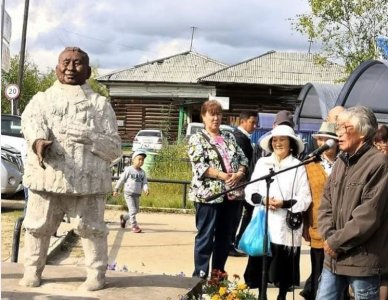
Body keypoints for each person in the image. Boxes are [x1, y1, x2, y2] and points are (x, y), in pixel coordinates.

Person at [20, 47, 122, 291]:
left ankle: (96, 273)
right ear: (57, 67)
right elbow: (30, 122)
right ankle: (32, 269)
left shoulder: (99, 105)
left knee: (91, 228)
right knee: (37, 226)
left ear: (87, 70)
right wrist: (38, 141)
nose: (70, 68)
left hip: (87, 179)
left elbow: (115, 148)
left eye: (77, 64)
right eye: (65, 62)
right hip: (48, 176)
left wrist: (90, 137)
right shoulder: (42, 99)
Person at [317, 106, 388, 300]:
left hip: (362, 262)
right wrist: (329, 237)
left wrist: (335, 242)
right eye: (338, 127)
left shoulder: (379, 163)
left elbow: (368, 215)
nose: (338, 133)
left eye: (345, 127)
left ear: (363, 132)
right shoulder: (341, 162)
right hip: (333, 258)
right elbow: (325, 204)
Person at [244, 125, 312, 300]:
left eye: (282, 139)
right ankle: (262, 294)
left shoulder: (298, 166)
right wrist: (263, 200)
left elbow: (305, 197)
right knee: (261, 265)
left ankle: (282, 295)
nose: (278, 143)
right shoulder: (262, 163)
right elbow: (250, 190)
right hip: (264, 222)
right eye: (275, 140)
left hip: (286, 224)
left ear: (291, 144)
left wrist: (284, 203)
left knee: (284, 268)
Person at [187, 100, 248, 279]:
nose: (216, 118)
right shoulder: (196, 138)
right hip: (209, 195)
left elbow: (243, 158)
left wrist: (240, 172)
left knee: (224, 237)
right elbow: (200, 166)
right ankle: (199, 275)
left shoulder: (229, 137)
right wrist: (223, 175)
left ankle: (217, 275)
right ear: (204, 117)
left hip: (231, 196)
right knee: (205, 237)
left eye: (219, 114)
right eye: (211, 114)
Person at [300, 122, 339, 300]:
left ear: (336, 142)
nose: (323, 142)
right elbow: (304, 197)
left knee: (339, 273)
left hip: (341, 226)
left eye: (327, 139)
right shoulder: (310, 163)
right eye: (320, 139)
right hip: (317, 224)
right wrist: (305, 225)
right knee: (317, 270)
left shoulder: (345, 163)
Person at [229, 111, 257, 257]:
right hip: (239, 182)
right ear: (243, 121)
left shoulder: (243, 137)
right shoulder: (239, 138)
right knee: (236, 214)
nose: (255, 126)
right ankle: (231, 243)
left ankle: (237, 241)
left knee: (244, 212)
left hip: (244, 181)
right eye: (252, 122)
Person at [113, 150, 149, 233]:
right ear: (133, 160)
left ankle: (124, 218)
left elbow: (144, 183)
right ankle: (134, 226)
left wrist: (146, 189)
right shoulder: (129, 170)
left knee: (136, 210)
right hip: (128, 193)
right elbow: (121, 180)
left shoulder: (142, 172)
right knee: (132, 210)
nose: (141, 161)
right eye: (139, 159)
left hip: (137, 194)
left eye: (142, 160)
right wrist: (116, 189)